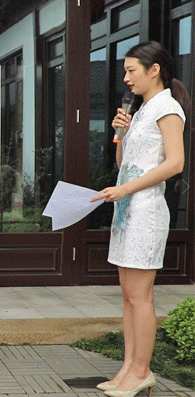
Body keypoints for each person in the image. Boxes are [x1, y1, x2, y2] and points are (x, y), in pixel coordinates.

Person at [91, 41, 188, 397]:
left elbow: (175, 163)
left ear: (154, 70)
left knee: (141, 297)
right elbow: (123, 164)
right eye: (126, 71)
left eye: (131, 70)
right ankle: (128, 368)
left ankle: (142, 371)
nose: (126, 78)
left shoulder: (168, 107)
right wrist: (121, 135)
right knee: (129, 297)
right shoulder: (143, 109)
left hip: (145, 212)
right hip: (127, 212)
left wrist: (126, 188)